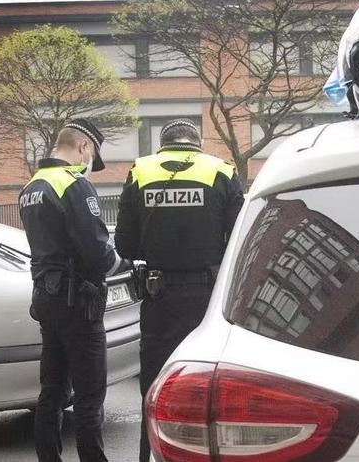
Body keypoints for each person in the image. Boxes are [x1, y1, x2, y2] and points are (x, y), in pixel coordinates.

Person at [114, 118, 244, 462]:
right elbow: (242, 239)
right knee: (208, 387)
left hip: (158, 297)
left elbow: (124, 244)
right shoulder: (221, 170)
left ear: (163, 145)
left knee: (154, 388)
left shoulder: (141, 171)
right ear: (197, 144)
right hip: (208, 299)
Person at [19, 118, 128, 462]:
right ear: (83, 147)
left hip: (47, 299)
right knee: (89, 395)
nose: (89, 166)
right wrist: (126, 266)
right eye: (90, 157)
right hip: (78, 302)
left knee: (51, 391)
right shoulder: (73, 184)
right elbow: (97, 252)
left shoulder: (32, 186)